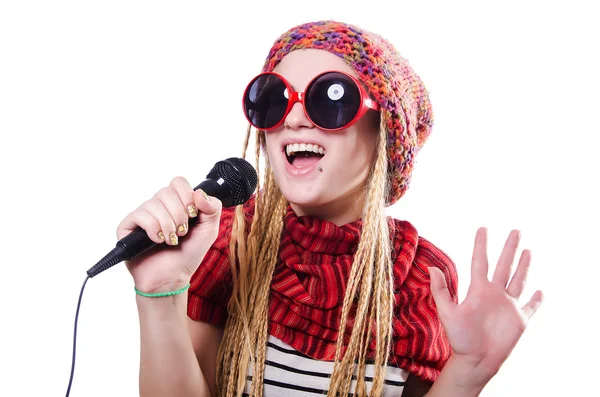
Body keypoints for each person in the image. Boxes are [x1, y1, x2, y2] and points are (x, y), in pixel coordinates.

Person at [119, 20, 544, 397]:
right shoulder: (226, 243)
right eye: (274, 99)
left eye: (330, 98)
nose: (295, 118)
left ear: (386, 136)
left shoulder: (420, 278)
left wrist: (470, 371)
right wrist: (159, 295)